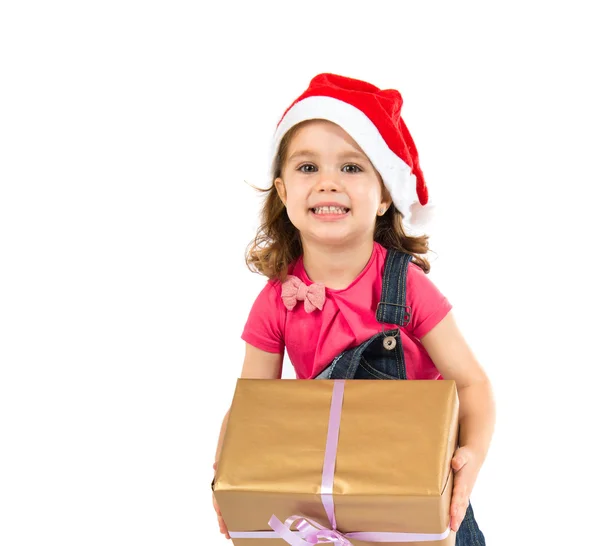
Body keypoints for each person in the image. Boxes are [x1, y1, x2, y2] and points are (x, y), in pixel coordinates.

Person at [212, 73, 495, 545]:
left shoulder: (407, 288)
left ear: (385, 196)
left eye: (351, 168)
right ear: (283, 193)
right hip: (324, 501)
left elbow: (472, 382)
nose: (327, 183)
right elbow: (251, 409)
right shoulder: (276, 300)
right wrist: (227, 475)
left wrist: (472, 454)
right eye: (307, 168)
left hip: (415, 483)